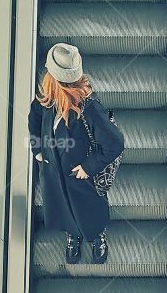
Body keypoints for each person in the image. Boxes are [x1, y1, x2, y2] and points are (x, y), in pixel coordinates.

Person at [28, 43, 125, 264]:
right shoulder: (45, 99)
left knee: (89, 208)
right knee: (63, 206)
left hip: (80, 176)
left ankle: (97, 236)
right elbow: (33, 123)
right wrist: (37, 151)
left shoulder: (88, 108)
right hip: (53, 172)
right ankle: (74, 234)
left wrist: (88, 167)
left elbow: (115, 143)